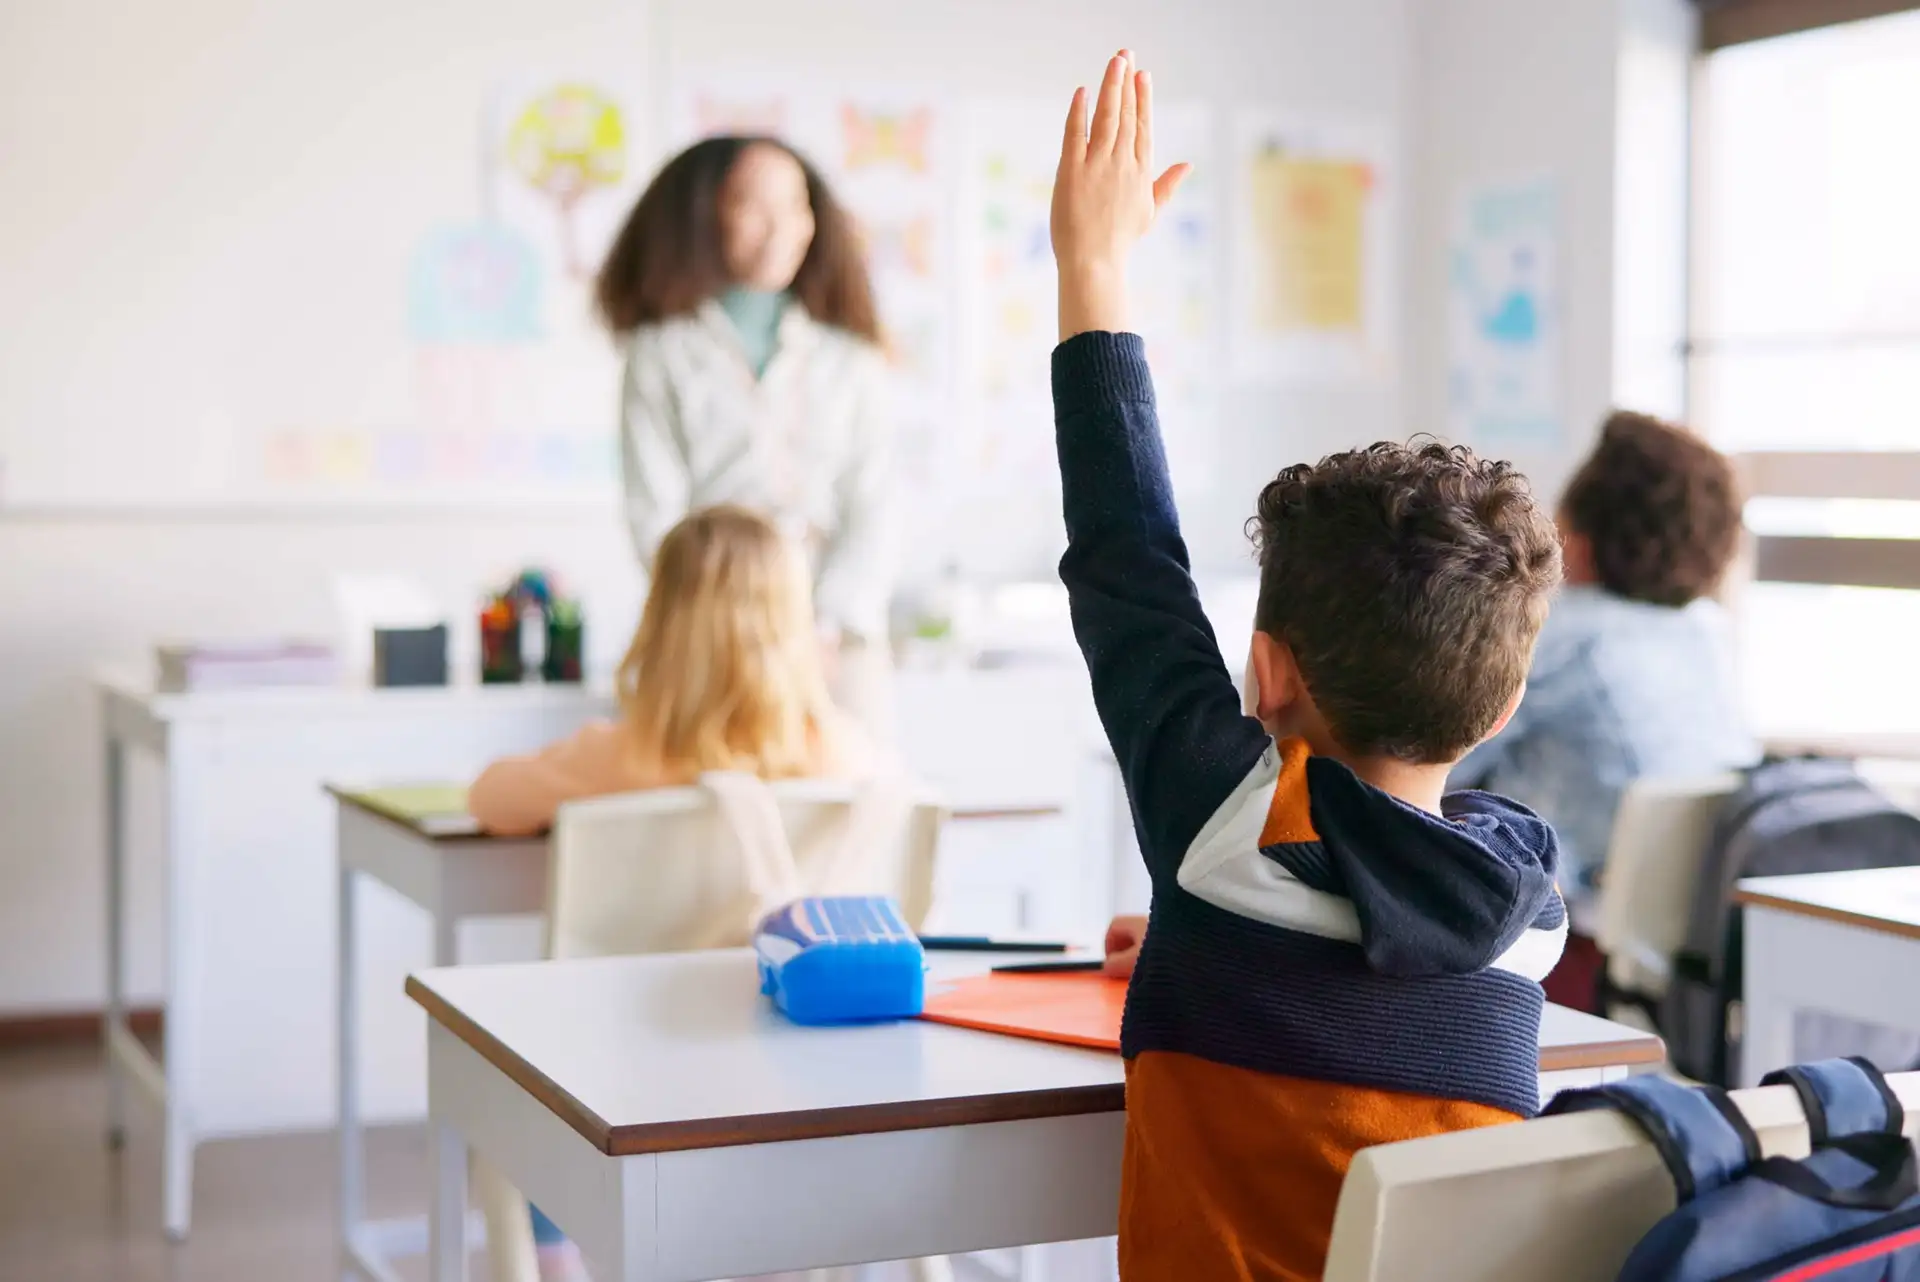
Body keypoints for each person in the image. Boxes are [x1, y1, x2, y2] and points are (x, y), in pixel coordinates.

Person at [1051, 52, 1567, 1280]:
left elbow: (1128, 553)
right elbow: (1373, 898)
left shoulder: (1222, 841)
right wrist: (1190, 936)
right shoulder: (1529, 910)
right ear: (1501, 703)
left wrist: (1092, 267)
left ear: (1266, 672)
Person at [1452, 410, 1758, 1000]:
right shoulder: (1706, 632)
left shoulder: (1560, 634)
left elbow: (1421, 756)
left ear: (1576, 539)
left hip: (1553, 947)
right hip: (1683, 959)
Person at [595, 136, 894, 730]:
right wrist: (717, 620)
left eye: (795, 206)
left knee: (851, 799)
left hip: (834, 644)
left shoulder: (849, 356)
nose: (778, 227)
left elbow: (874, 503)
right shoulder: (661, 351)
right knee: (714, 803)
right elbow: (652, 511)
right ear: (707, 216)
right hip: (707, 630)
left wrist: (826, 624)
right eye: (752, 205)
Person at [470, 505, 871, 836]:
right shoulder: (840, 757)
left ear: (660, 626)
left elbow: (487, 798)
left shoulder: (618, 758)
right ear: (795, 627)